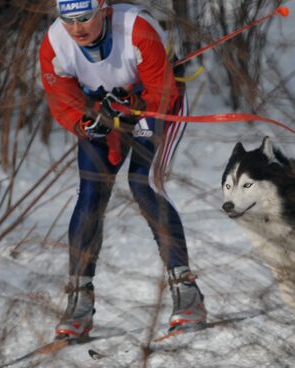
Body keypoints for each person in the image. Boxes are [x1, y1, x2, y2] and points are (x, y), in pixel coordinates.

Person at [39, 0, 206, 340]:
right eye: (68, 20)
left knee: (143, 183)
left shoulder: (136, 30)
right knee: (90, 193)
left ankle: (186, 292)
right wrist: (86, 122)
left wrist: (132, 108)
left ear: (104, 9)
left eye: (85, 18)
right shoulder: (55, 44)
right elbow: (62, 99)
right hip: (103, 109)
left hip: (159, 105)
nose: (77, 29)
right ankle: (78, 303)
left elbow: (162, 91)